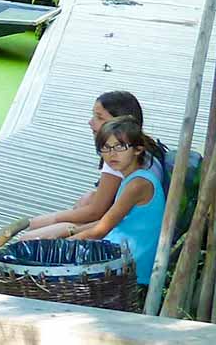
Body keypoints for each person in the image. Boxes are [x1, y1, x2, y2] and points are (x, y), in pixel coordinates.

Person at [17, 91, 145, 240]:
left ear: (119, 123)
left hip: (122, 235)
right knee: (88, 198)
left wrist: (64, 230)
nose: (90, 122)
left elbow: (98, 215)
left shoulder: (121, 163)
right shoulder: (133, 150)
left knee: (28, 238)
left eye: (99, 117)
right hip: (118, 221)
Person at [71, 116, 170, 287]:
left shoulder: (137, 184)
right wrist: (71, 232)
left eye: (120, 147)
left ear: (137, 149)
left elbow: (100, 230)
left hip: (131, 266)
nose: (112, 154)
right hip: (121, 254)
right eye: (106, 148)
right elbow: (108, 223)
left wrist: (61, 244)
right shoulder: (132, 179)